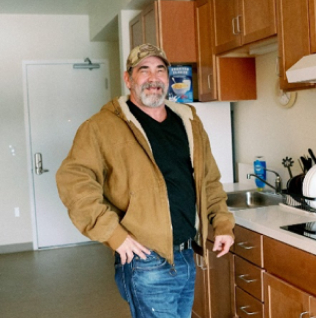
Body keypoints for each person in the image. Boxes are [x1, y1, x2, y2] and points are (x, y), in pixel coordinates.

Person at [56, 43, 235, 318]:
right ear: (128, 79)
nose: (154, 78)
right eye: (144, 70)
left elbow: (208, 180)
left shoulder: (188, 121)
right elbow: (74, 181)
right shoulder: (101, 127)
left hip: (187, 255)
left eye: (160, 69)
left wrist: (221, 223)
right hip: (145, 260)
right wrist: (113, 234)